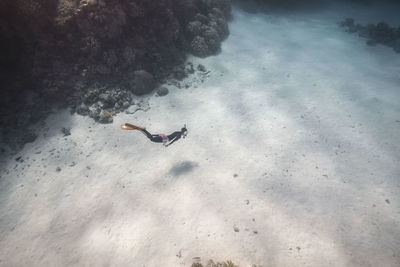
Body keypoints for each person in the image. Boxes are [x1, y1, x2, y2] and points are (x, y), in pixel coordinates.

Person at [121, 123, 187, 146]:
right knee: (151, 139)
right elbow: (174, 140)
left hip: (164, 136)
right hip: (165, 139)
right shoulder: (179, 135)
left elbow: (183, 131)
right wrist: (169, 144)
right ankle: (142, 129)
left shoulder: (177, 132)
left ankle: (142, 130)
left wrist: (184, 130)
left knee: (152, 137)